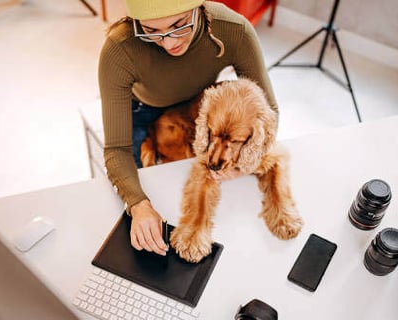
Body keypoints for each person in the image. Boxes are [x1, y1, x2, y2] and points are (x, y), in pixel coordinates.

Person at [98, 0, 279, 256]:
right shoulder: (119, 48)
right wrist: (139, 205)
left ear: (199, 7)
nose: (169, 42)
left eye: (179, 25)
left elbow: (270, 113)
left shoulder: (233, 29)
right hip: (143, 112)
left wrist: (241, 166)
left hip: (202, 108)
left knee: (234, 202)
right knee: (146, 206)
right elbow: (116, 149)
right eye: (151, 31)